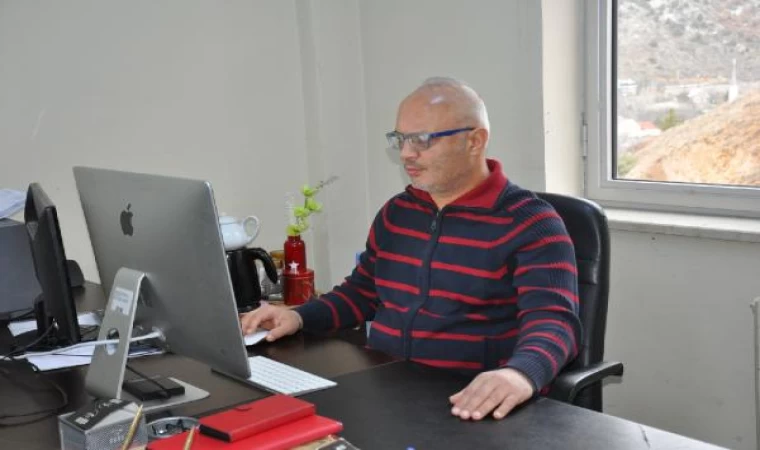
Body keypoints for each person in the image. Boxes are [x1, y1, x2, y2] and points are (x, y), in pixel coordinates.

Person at [241, 77, 582, 421]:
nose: (406, 153)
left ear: (474, 141)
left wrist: (520, 373)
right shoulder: (398, 213)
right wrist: (299, 316)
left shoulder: (530, 223)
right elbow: (362, 292)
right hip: (387, 388)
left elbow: (554, 321)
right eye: (400, 139)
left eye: (422, 140)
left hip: (471, 402)